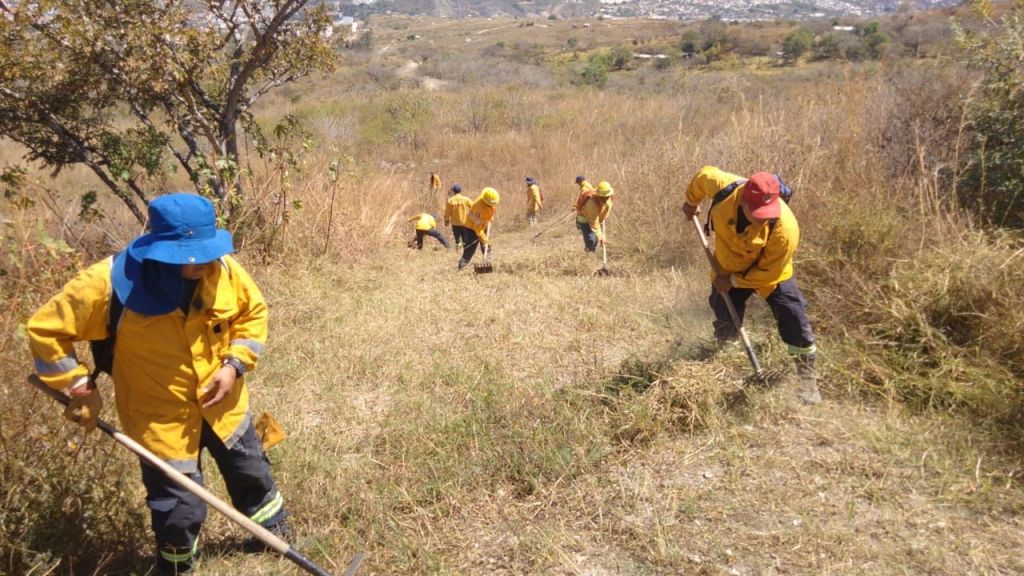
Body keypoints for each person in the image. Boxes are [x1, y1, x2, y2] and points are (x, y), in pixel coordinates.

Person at [26, 193, 288, 575]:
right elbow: (45, 330)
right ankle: (177, 567)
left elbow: (253, 313)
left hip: (224, 406)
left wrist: (233, 365)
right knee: (179, 508)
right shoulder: (107, 284)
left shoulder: (223, 269)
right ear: (161, 248)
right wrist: (79, 384)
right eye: (191, 256)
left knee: (251, 472)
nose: (202, 263)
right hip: (160, 417)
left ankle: (273, 535)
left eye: (207, 251)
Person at [681, 166, 821, 405]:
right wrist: (691, 202)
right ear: (743, 199)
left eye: (767, 213)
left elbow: (769, 272)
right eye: (757, 212)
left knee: (794, 318)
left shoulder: (786, 229)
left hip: (771, 275)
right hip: (727, 267)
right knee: (725, 316)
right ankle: (727, 360)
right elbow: (702, 176)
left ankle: (807, 380)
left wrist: (732, 282)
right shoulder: (725, 187)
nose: (762, 218)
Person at [458, 187, 500, 270]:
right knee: (470, 250)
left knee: (486, 246)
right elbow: (477, 228)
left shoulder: (491, 199)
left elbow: (491, 210)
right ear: (485, 202)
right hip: (471, 228)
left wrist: (489, 219)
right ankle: (462, 266)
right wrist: (484, 239)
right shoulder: (477, 208)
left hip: (483, 224)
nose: (494, 205)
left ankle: (488, 262)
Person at [575, 180, 614, 253]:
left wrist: (602, 219)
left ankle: (591, 249)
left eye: (606, 196)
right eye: (603, 197)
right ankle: (589, 252)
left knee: (596, 239)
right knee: (590, 240)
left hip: (597, 218)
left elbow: (606, 209)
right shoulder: (591, 203)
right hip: (584, 218)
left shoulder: (609, 197)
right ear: (599, 195)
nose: (605, 198)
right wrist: (601, 237)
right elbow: (593, 221)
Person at [444, 184, 473, 249]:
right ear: (460, 191)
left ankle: (458, 248)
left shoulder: (450, 200)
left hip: (455, 223)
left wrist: (446, 220)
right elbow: (473, 206)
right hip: (464, 222)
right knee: (465, 238)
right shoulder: (466, 199)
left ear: (454, 191)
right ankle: (465, 249)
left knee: (457, 238)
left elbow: (447, 212)